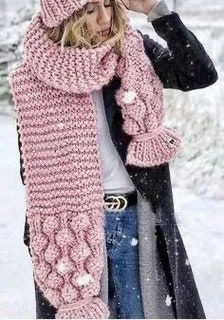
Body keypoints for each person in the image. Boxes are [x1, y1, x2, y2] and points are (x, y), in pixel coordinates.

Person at [8, 0, 218, 319]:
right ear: (66, 17)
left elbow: (199, 73)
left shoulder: (129, 52)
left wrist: (156, 11)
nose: (104, 18)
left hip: (138, 219)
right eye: (90, 9)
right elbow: (33, 171)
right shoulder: (32, 80)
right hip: (72, 232)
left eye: (108, 4)